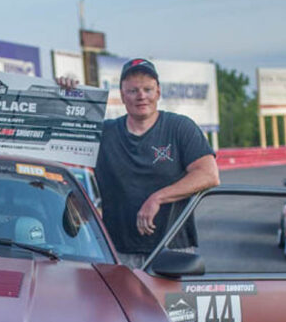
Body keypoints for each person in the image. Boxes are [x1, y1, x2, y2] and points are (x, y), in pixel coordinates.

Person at [63, 58, 220, 267]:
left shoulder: (180, 128)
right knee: (118, 301)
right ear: (122, 95)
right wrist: (64, 93)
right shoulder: (104, 133)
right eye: (133, 90)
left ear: (158, 92)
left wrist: (157, 198)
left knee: (168, 302)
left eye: (148, 89)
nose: (141, 96)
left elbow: (209, 175)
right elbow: (57, 137)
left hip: (172, 250)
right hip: (117, 252)